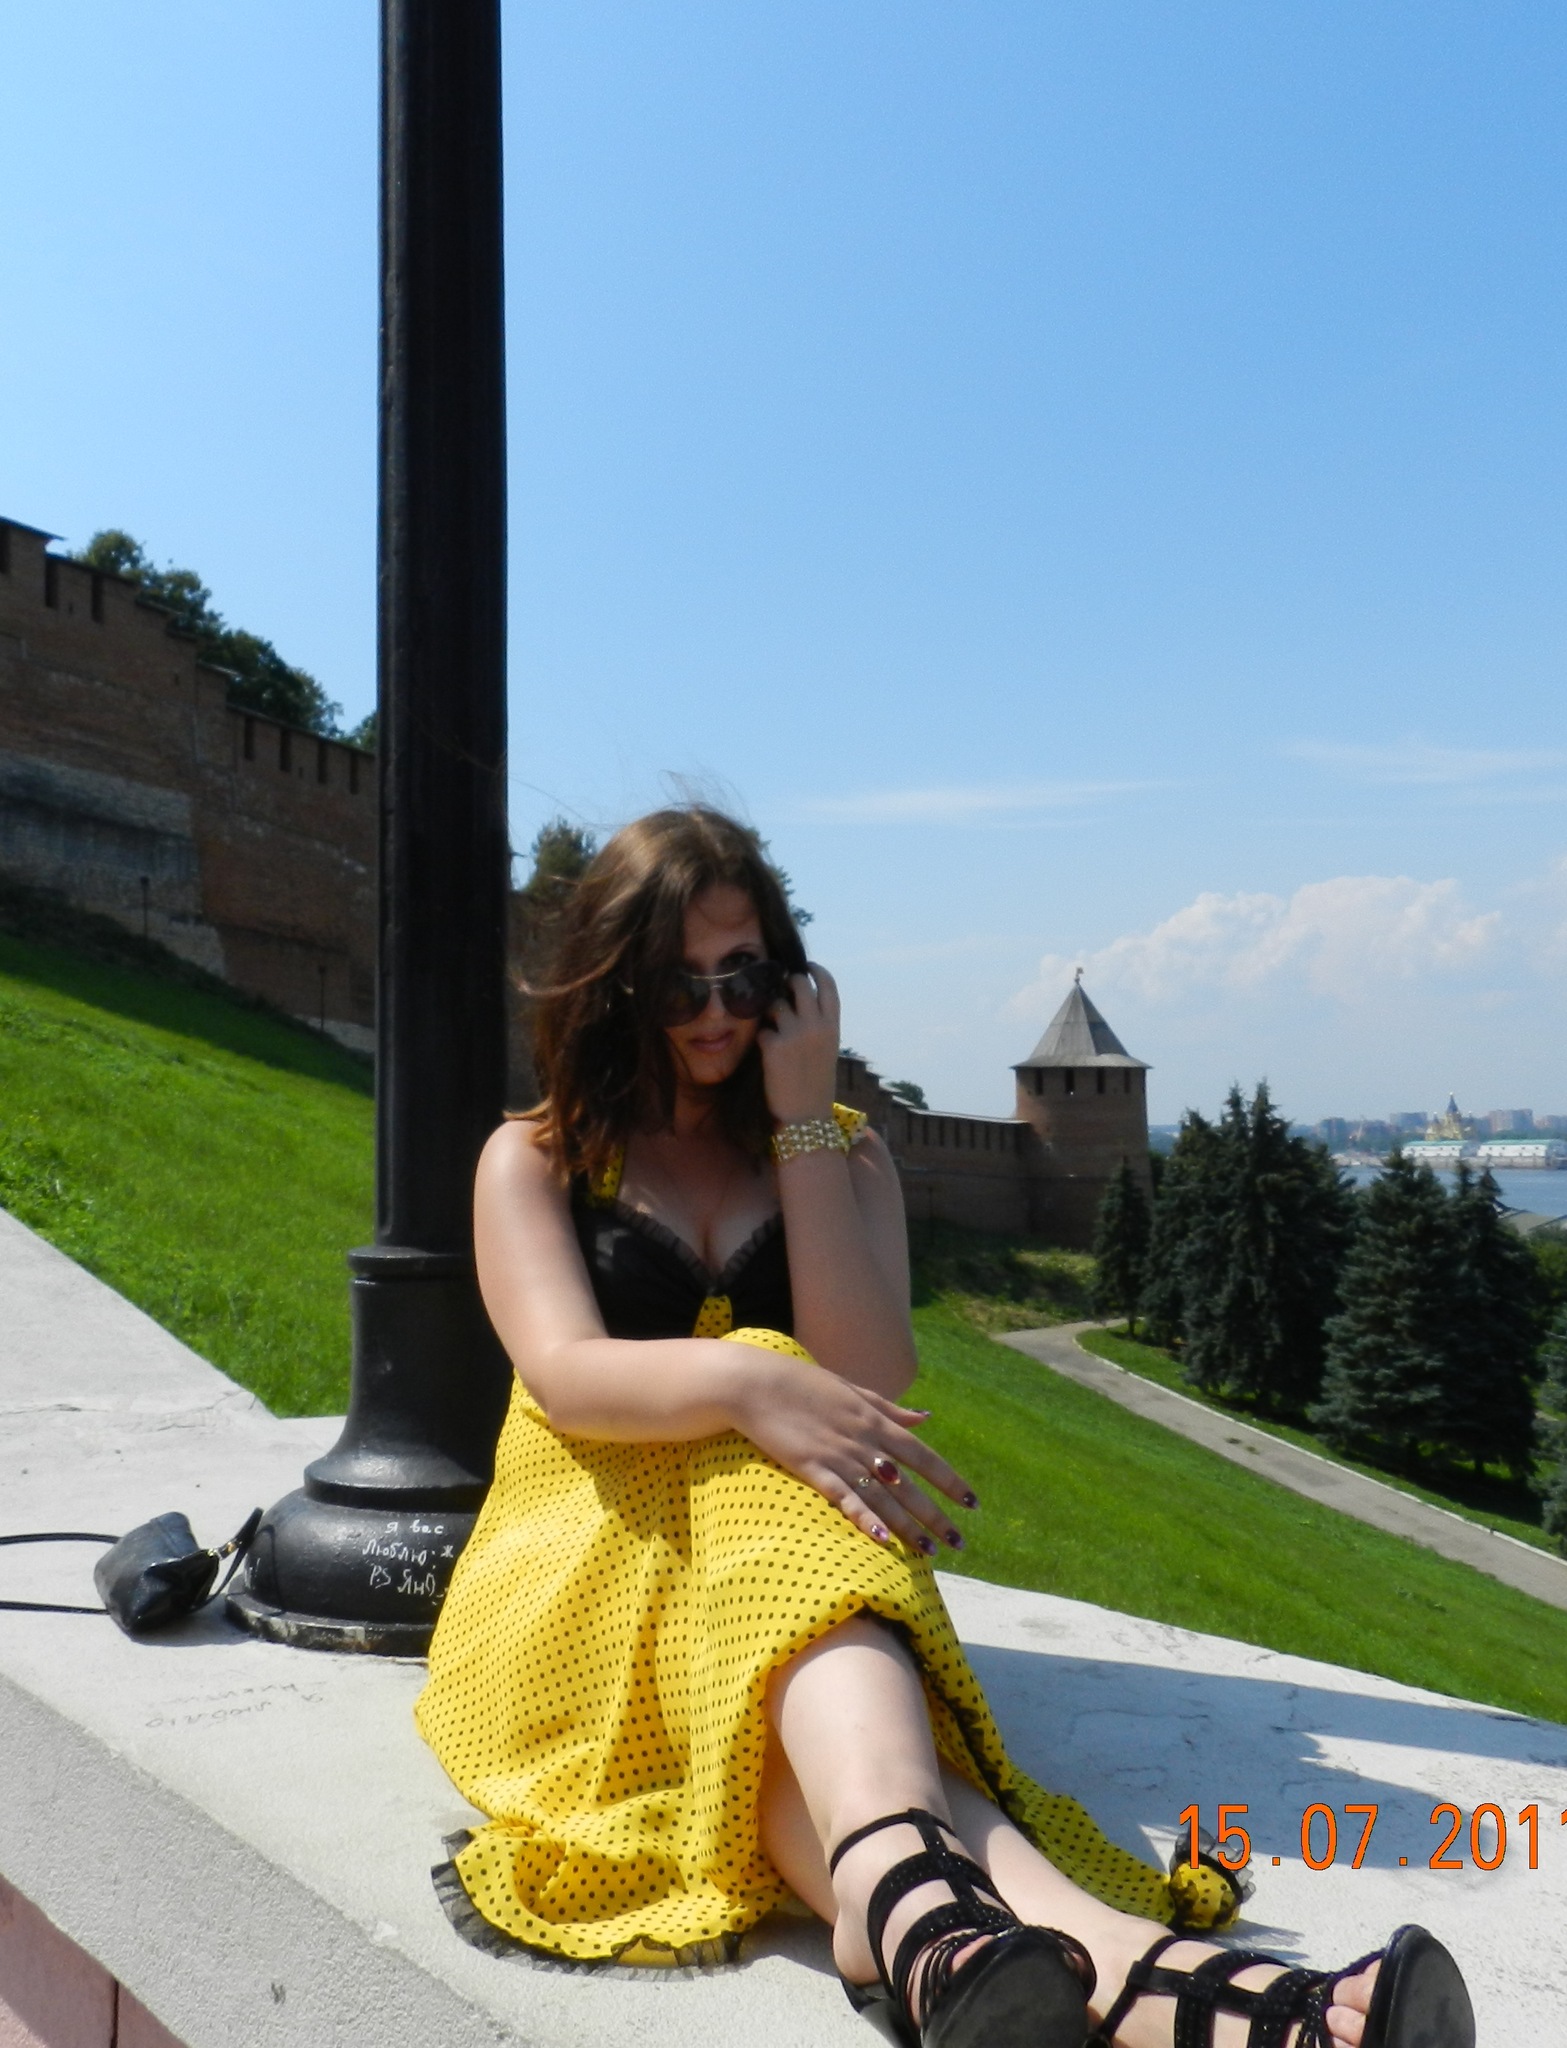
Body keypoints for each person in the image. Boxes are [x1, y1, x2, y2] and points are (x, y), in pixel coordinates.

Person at [415, 806, 1474, 2048]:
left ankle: (963, 1947)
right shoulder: (535, 1159)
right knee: (844, 1681)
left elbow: (868, 1365)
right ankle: (1197, 1996)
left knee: (835, 1774)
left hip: (785, 1592)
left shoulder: (844, 1153)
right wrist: (753, 1382)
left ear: (788, 977)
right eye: (675, 980)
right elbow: (568, 1376)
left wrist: (802, 1115)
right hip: (595, 1574)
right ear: (613, 981)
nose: (712, 1010)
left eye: (741, 974)